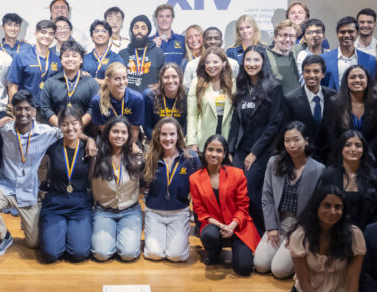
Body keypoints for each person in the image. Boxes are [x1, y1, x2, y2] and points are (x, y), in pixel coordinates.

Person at [0, 90, 92, 258]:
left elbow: (70, 131)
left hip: (29, 192)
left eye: (27, 109)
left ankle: (29, 222)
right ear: (13, 110)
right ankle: (4, 237)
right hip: (6, 187)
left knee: (34, 243)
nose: (23, 113)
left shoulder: (46, 132)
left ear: (34, 111)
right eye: (19, 108)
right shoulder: (4, 129)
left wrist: (89, 139)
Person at [254, 123, 326, 278]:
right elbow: (267, 197)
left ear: (306, 141)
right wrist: (271, 227)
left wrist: (299, 232)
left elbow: (316, 208)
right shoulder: (274, 162)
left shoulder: (318, 169)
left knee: (278, 270)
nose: (292, 145)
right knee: (260, 265)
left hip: (301, 226)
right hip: (277, 221)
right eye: (287, 141)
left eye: (296, 140)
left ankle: (305, 252)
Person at [227, 46, 284, 233]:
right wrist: (230, 149)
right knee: (235, 192)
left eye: (256, 60)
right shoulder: (242, 86)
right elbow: (235, 121)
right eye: (248, 60)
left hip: (262, 150)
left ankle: (266, 232)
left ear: (263, 62)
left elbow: (274, 124)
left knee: (251, 193)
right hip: (240, 149)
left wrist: (254, 152)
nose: (251, 64)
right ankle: (244, 233)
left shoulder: (274, 87)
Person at [189, 135, 259, 276]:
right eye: (210, 149)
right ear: (205, 151)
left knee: (244, 268)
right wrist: (221, 226)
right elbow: (200, 211)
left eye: (219, 151)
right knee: (208, 235)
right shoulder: (194, 178)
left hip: (238, 225)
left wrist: (231, 226)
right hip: (214, 225)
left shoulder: (237, 174)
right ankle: (214, 251)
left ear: (224, 154)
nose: (214, 154)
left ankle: (237, 247)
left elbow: (243, 207)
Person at [39, 105, 94, 263]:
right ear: (59, 126)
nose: (70, 128)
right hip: (55, 204)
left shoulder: (89, 149)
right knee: (51, 254)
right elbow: (42, 172)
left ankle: (70, 232)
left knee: (79, 253)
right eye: (65, 124)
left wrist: (90, 139)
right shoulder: (51, 148)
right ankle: (59, 233)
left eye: (74, 123)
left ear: (81, 125)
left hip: (80, 205)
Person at [142, 118, 201, 262]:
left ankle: (176, 240)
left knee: (176, 256)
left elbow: (200, 187)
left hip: (179, 213)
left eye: (172, 134)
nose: (168, 138)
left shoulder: (191, 158)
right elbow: (142, 185)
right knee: (155, 254)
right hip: (155, 213)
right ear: (158, 136)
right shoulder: (149, 157)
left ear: (178, 136)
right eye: (164, 134)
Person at [90, 117, 144, 262]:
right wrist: (88, 139)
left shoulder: (136, 155)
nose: (119, 136)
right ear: (108, 133)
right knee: (101, 254)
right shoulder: (96, 155)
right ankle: (110, 237)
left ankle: (119, 238)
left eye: (123, 132)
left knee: (128, 254)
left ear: (128, 135)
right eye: (115, 131)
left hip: (130, 211)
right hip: (104, 211)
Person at [320, 130, 377, 230]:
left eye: (358, 145)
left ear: (364, 150)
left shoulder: (376, 176)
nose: (353, 149)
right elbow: (322, 206)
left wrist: (369, 234)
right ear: (341, 148)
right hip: (335, 231)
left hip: (368, 233)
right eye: (348, 145)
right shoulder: (329, 174)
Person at [324, 64, 377, 162]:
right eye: (352, 77)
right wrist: (344, 155)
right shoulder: (334, 102)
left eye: (361, 77)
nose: (357, 80)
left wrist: (366, 154)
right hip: (341, 157)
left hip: (368, 157)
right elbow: (332, 134)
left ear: (367, 80)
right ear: (346, 81)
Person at [282, 54, 337, 161]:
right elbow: (286, 131)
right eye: (307, 71)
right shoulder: (290, 99)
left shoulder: (334, 96)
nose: (311, 75)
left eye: (316, 71)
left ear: (323, 74)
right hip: (301, 157)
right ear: (303, 73)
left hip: (329, 158)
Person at [41, 40, 98, 127]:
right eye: (66, 56)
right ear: (61, 59)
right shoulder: (50, 83)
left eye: (74, 56)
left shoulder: (92, 83)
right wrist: (62, 127)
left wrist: (77, 127)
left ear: (81, 60)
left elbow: (93, 109)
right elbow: (46, 108)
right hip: (56, 131)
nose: (70, 59)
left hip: (84, 132)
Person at [186, 48, 234, 152]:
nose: (211, 66)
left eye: (215, 62)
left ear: (224, 63)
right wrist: (192, 141)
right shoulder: (197, 83)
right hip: (204, 139)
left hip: (227, 138)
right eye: (207, 62)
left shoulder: (233, 84)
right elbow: (192, 115)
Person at [7, 19, 59, 108]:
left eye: (51, 33)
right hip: (26, 109)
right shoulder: (21, 57)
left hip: (49, 110)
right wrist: (14, 111)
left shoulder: (57, 60)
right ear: (36, 34)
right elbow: (13, 87)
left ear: (54, 36)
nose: (47, 36)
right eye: (43, 32)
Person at [90, 62, 145, 144]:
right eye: (117, 79)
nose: (122, 82)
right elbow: (103, 130)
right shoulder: (97, 100)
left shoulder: (137, 99)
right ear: (108, 81)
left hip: (130, 138)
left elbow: (135, 128)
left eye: (124, 78)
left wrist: (131, 146)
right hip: (108, 139)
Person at [321, 16, 377, 91]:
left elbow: (372, 87)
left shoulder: (370, 60)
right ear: (337, 34)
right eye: (342, 32)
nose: (347, 35)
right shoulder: (323, 59)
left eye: (350, 31)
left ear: (357, 33)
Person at [119, 14, 165, 94]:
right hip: (127, 98)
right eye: (136, 27)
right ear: (132, 30)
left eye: (143, 28)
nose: (139, 31)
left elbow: (165, 78)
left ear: (148, 32)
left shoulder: (158, 53)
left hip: (150, 99)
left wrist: (160, 85)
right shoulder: (122, 54)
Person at [182, 26, 238, 90]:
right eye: (209, 39)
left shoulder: (233, 64)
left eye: (216, 38)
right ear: (203, 42)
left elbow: (236, 87)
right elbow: (187, 89)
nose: (213, 42)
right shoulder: (191, 65)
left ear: (222, 42)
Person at [142, 62, 187, 139]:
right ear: (161, 79)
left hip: (178, 139)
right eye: (166, 77)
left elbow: (185, 127)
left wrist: (174, 141)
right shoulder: (149, 96)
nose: (170, 81)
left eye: (174, 77)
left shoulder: (187, 96)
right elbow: (147, 126)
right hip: (154, 139)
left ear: (180, 78)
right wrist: (159, 142)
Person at [83, 19, 125, 83]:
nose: (100, 34)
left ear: (109, 36)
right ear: (92, 37)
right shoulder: (84, 58)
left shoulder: (116, 59)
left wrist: (93, 80)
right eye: (96, 31)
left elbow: (119, 82)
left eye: (104, 31)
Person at [268, 19, 301, 94]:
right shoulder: (264, 56)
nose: (288, 39)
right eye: (284, 35)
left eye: (291, 36)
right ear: (275, 37)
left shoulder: (296, 54)